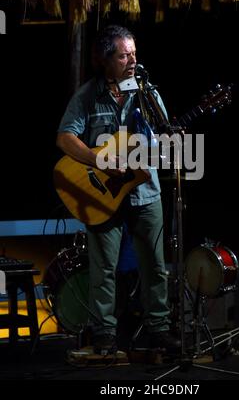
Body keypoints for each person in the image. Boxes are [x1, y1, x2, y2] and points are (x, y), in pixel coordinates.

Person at [56, 24, 180, 355]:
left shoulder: (148, 95)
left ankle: (158, 329)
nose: (131, 61)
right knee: (103, 269)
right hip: (102, 197)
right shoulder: (86, 96)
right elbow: (65, 137)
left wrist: (164, 146)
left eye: (134, 54)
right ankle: (105, 335)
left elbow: (165, 141)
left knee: (155, 266)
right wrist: (98, 160)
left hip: (145, 193)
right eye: (124, 55)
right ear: (104, 59)